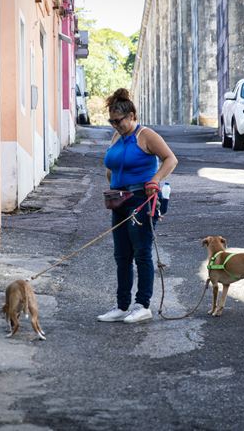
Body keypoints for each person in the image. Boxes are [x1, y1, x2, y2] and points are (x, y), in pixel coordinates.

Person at [97, 88, 178, 323]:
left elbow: (171, 159)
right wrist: (112, 186)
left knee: (141, 253)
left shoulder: (146, 135)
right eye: (111, 121)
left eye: (118, 121)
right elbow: (110, 166)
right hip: (119, 201)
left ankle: (142, 304)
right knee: (121, 255)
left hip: (141, 201)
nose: (115, 125)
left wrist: (156, 179)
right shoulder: (116, 137)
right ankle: (122, 306)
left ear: (131, 115)